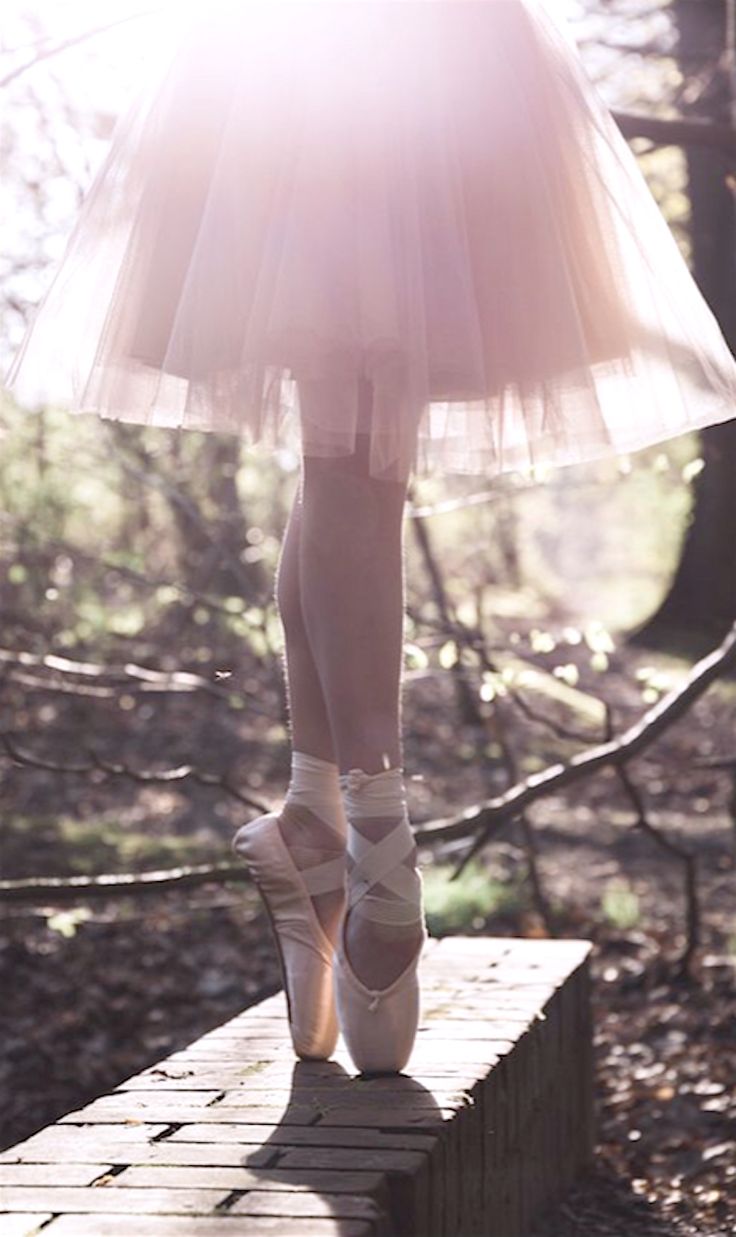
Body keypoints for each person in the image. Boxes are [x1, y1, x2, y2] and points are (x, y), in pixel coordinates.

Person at [5, 0, 736, 1074]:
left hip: (441, 58)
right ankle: (371, 846)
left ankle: (321, 818)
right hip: (302, 59)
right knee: (350, 442)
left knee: (348, 446)